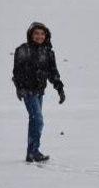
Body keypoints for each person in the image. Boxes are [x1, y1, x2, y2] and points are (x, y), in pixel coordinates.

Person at [13, 22, 66, 162]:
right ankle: (33, 152)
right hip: (28, 91)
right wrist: (19, 88)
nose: (39, 36)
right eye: (36, 33)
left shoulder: (48, 52)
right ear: (31, 34)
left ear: (46, 35)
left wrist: (59, 88)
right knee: (38, 120)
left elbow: (53, 72)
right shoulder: (23, 50)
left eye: (42, 34)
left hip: (39, 91)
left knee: (35, 121)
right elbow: (17, 72)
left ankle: (32, 152)